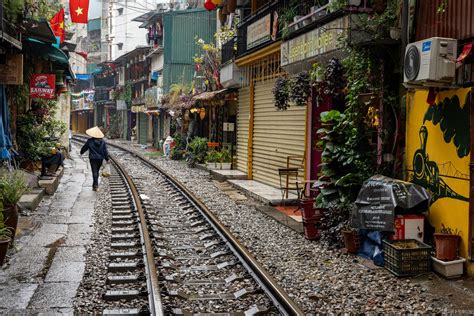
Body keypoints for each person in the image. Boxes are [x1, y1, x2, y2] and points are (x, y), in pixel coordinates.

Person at [80, 126, 109, 191]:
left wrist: (81, 152)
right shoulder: (103, 142)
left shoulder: (90, 141)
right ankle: (94, 186)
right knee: (97, 172)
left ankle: (95, 186)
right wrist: (107, 159)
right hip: (100, 159)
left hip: (92, 158)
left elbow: (85, 147)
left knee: (94, 172)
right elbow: (105, 151)